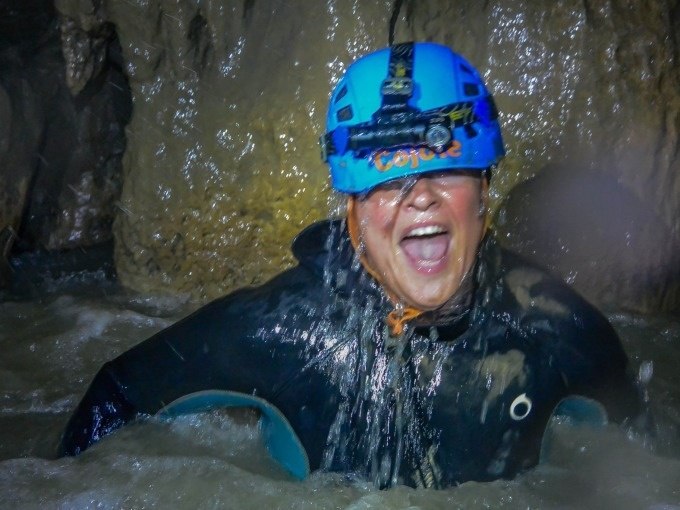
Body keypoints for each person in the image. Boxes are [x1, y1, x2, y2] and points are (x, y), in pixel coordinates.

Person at [59, 42, 639, 488]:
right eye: (386, 180)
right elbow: (118, 393)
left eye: (444, 168)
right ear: (353, 207)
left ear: (485, 187)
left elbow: (642, 467)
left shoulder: (556, 332)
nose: (419, 196)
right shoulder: (286, 328)